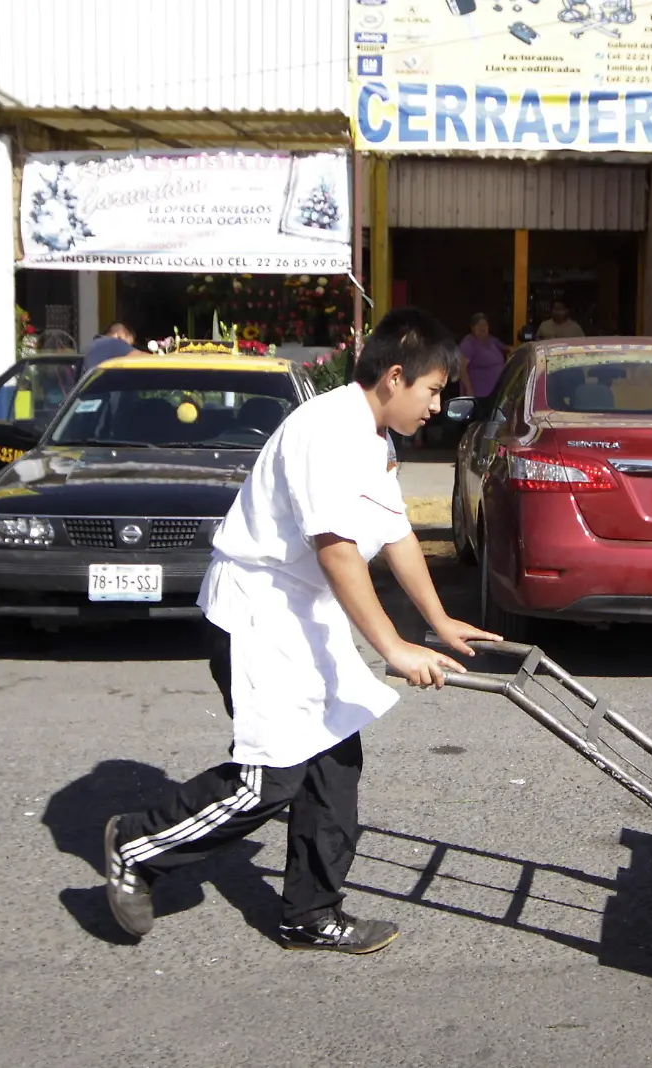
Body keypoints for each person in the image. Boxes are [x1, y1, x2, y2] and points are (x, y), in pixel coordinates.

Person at [101, 307, 499, 953]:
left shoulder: (374, 438)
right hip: (259, 612)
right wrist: (393, 648)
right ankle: (138, 843)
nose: (437, 405)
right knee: (270, 778)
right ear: (395, 377)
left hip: (302, 615)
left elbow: (394, 530)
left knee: (334, 762)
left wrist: (437, 620)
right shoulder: (329, 430)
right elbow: (337, 549)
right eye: (433, 390)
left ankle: (310, 914)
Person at [457, 312, 507, 397]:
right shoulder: (468, 344)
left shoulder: (491, 340)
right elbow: (462, 368)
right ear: (472, 328)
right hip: (480, 395)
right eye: (479, 325)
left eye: (485, 324)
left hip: (497, 394)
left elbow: (506, 348)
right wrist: (469, 390)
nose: (483, 327)